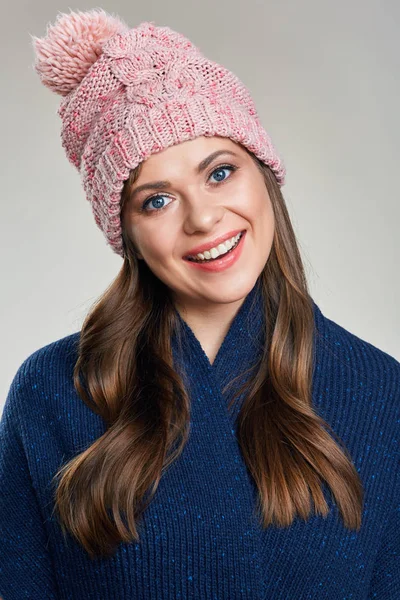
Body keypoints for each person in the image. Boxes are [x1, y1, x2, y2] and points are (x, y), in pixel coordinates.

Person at [0, 8, 399, 600]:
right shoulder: (55, 390)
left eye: (220, 172)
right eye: (156, 200)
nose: (204, 218)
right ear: (126, 232)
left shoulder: (379, 391)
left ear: (263, 173)